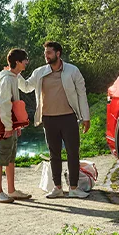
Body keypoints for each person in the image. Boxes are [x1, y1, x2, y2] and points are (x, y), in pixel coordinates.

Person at [25, 41, 90, 198]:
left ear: (58, 53)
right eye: (45, 53)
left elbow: (82, 93)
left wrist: (85, 117)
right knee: (54, 154)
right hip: (48, 119)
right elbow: (26, 87)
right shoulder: (40, 72)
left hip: (69, 117)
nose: (46, 56)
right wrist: (13, 73)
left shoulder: (72, 71)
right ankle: (57, 188)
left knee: (73, 152)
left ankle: (74, 188)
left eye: (49, 53)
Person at [0, 48, 35, 203]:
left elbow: (24, 90)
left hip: (11, 126)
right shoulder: (7, 79)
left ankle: (11, 190)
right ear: (18, 62)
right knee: (0, 158)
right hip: (5, 127)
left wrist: (16, 127)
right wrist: (8, 128)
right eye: (25, 60)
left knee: (10, 158)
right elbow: (4, 104)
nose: (27, 62)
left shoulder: (13, 77)